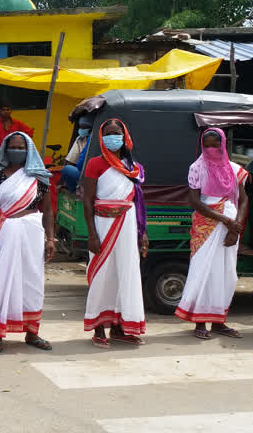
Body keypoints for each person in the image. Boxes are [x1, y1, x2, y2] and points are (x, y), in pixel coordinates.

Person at [0, 132, 55, 351]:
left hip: (33, 231)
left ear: (29, 151)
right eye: (13, 147)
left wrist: (50, 238)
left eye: (21, 147)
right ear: (5, 150)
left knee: (32, 281)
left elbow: (48, 211)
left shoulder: (39, 176)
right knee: (4, 279)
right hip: (6, 231)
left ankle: (32, 333)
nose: (16, 151)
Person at [175, 128, 248, 339]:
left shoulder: (235, 169)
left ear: (223, 144)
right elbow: (195, 201)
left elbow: (243, 199)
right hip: (206, 225)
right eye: (207, 145)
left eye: (216, 145)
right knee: (203, 271)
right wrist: (226, 221)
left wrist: (237, 226)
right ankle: (199, 322)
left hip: (231, 224)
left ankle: (218, 322)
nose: (212, 149)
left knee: (226, 273)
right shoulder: (197, 168)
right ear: (202, 146)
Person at [82, 119, 148, 348]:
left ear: (125, 136)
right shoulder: (94, 164)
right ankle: (98, 328)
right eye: (108, 133)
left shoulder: (133, 167)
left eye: (116, 133)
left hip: (128, 224)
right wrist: (91, 234)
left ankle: (121, 327)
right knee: (102, 273)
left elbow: (138, 201)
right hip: (103, 224)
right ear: (101, 138)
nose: (113, 137)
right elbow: (87, 201)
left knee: (127, 273)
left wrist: (143, 233)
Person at [61, 114, 94, 193]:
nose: (81, 129)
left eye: (84, 127)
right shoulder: (79, 139)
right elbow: (71, 161)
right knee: (68, 170)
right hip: (82, 174)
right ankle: (75, 191)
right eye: (80, 127)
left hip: (94, 175)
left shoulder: (95, 139)